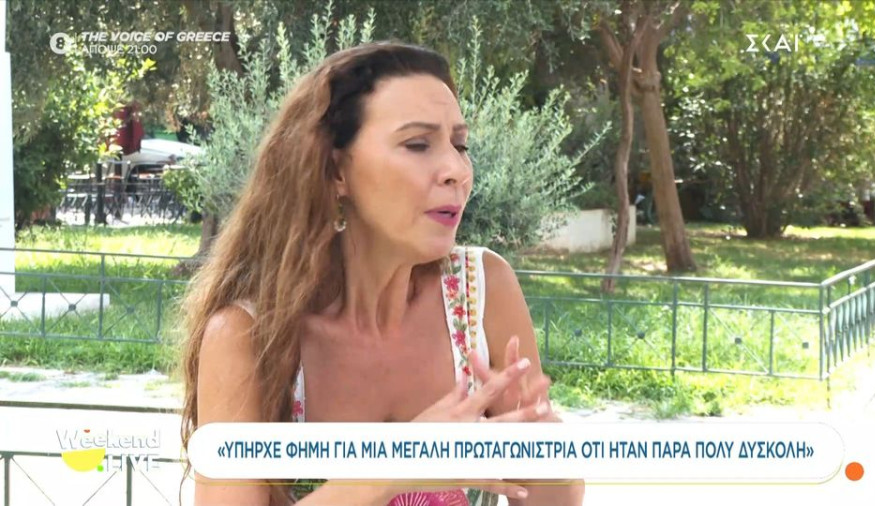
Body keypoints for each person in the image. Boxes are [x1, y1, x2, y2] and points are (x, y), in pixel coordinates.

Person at [179, 41, 585, 506]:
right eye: (418, 144)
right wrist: (393, 469)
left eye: (460, 145)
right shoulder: (249, 335)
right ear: (336, 171)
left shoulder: (482, 291)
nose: (456, 170)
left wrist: (545, 450)